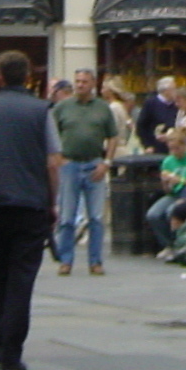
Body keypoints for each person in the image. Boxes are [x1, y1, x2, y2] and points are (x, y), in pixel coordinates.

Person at [0, 50, 61, 370]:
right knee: (21, 278)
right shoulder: (41, 111)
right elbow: (52, 162)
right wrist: (52, 200)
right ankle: (11, 353)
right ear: (28, 76)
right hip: (30, 203)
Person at [52, 69, 120, 276]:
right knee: (67, 217)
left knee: (96, 218)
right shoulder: (63, 107)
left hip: (94, 165)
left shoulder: (102, 108)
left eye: (84, 81)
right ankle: (66, 260)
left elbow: (113, 137)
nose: (80, 85)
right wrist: (58, 159)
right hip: (69, 165)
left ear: (93, 84)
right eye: (77, 81)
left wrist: (106, 162)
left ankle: (95, 262)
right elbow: (51, 135)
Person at [147, 134, 186, 257]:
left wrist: (180, 180)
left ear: (184, 146)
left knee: (172, 212)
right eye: (171, 149)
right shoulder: (168, 161)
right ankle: (168, 244)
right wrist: (165, 182)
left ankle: (179, 243)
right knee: (153, 214)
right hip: (175, 194)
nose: (174, 152)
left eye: (177, 148)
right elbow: (167, 191)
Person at [136, 77, 181, 152]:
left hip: (174, 147)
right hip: (155, 147)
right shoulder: (151, 103)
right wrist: (147, 145)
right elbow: (141, 126)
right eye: (174, 89)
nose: (176, 92)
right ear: (166, 91)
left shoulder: (176, 105)